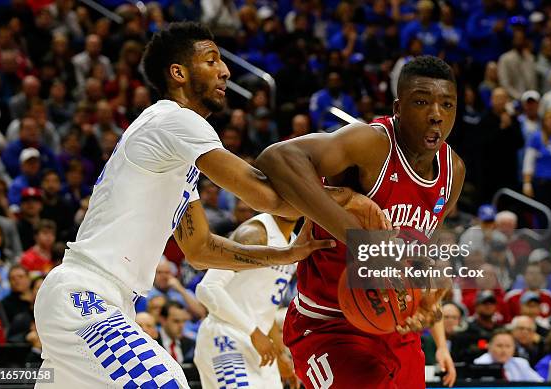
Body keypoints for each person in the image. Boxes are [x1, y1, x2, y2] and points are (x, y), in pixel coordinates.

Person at [34, 22, 382, 389]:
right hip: (85, 296)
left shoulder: (172, 156)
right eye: (211, 60)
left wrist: (283, 255)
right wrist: (346, 197)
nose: (225, 70)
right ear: (179, 73)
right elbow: (267, 197)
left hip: (110, 303)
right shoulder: (175, 119)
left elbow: (200, 249)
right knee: (168, 382)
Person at [256, 56, 465, 388]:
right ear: (399, 107)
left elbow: (424, 248)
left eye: (447, 104)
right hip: (328, 322)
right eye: (422, 102)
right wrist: (358, 233)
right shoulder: (370, 143)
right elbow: (276, 158)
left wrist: (431, 293)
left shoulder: (453, 172)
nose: (436, 114)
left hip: (394, 323)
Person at [194, 213, 300, 389]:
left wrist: (281, 354)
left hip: (261, 345)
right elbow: (207, 289)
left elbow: (265, 308)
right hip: (226, 337)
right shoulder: (254, 234)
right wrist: (254, 332)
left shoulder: (294, 242)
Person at [474, 329, 543, 382]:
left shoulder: (521, 363)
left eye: (508, 346)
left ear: (514, 348)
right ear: (489, 347)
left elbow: (540, 383)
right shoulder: (480, 364)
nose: (504, 350)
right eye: (499, 346)